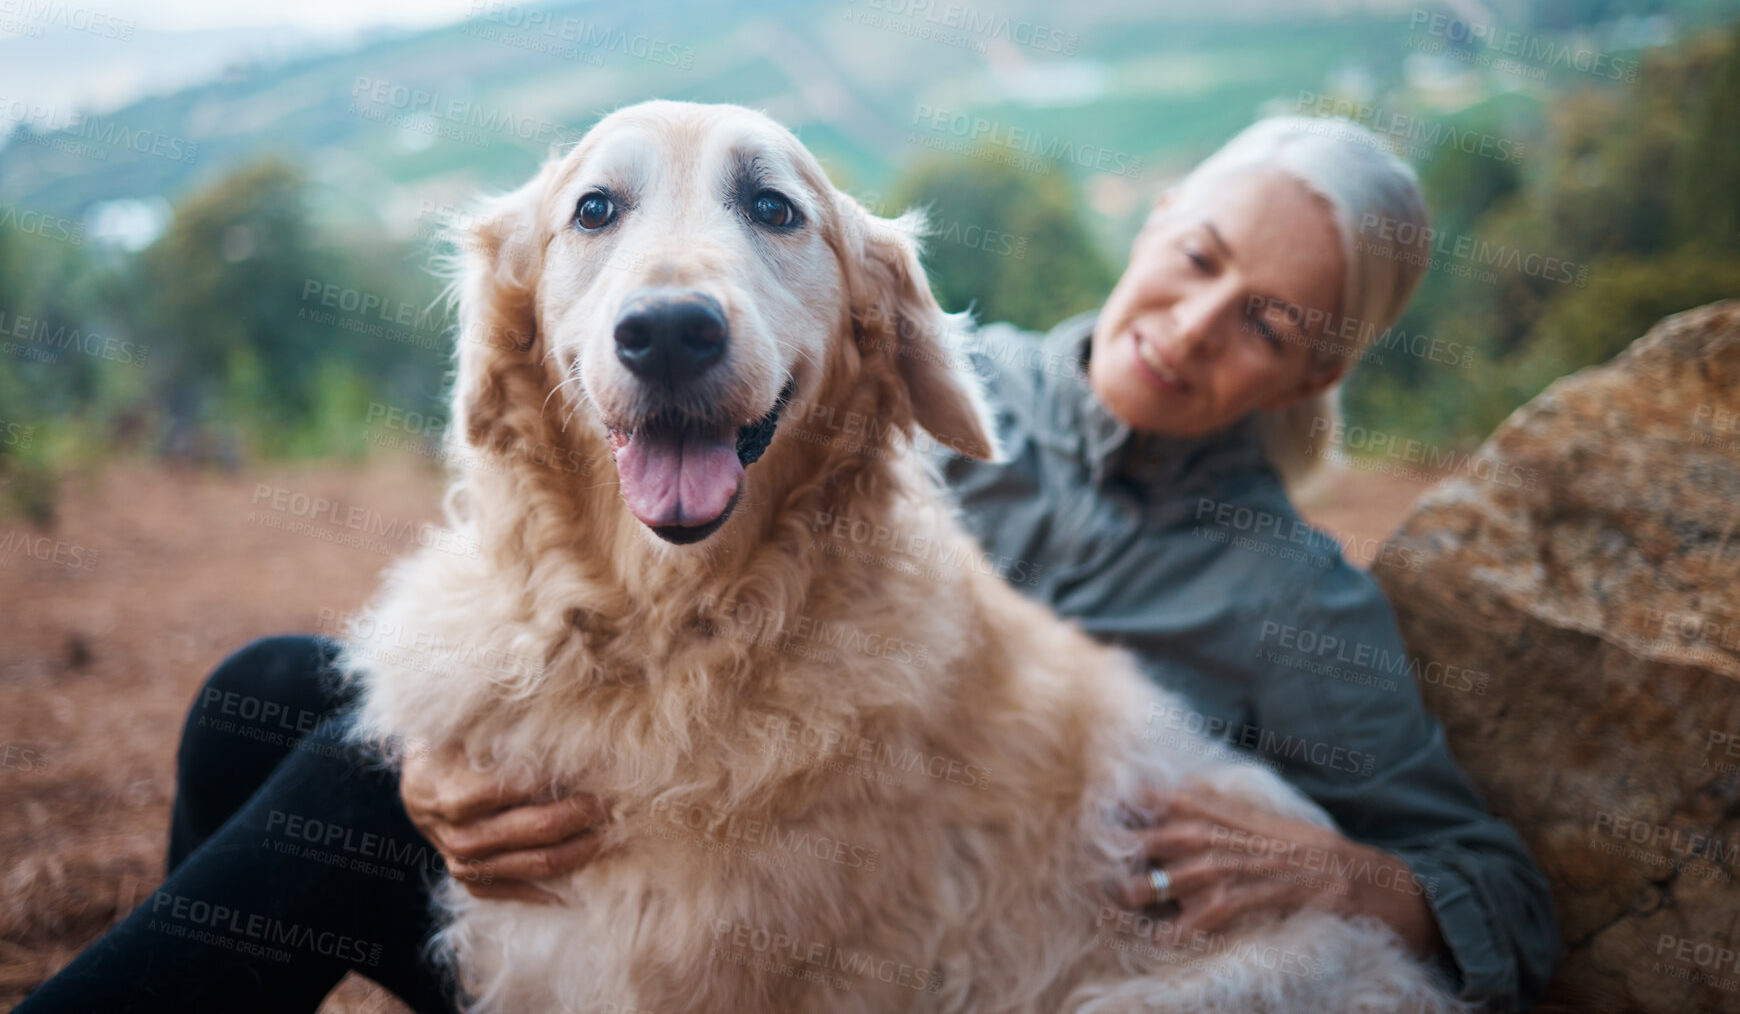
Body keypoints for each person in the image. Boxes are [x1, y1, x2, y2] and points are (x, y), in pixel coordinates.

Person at [17, 116, 1560, 1012]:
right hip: (648, 869)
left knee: (343, 766)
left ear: (1314, 372)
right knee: (271, 701)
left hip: (929, 945)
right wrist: (438, 773)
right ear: (1159, 222)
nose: (1200, 320)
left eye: (1273, 324)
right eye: (1203, 258)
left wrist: (1359, 877)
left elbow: (1496, 885)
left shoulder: (1293, 595)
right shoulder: (960, 378)